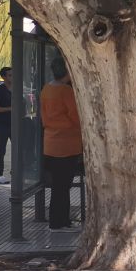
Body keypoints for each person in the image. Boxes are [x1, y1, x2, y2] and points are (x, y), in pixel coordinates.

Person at [40, 57, 82, 230]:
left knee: (58, 186)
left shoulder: (46, 89)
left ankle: (58, 220)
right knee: (63, 186)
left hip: (50, 143)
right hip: (67, 144)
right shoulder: (66, 92)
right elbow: (76, 117)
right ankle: (59, 222)